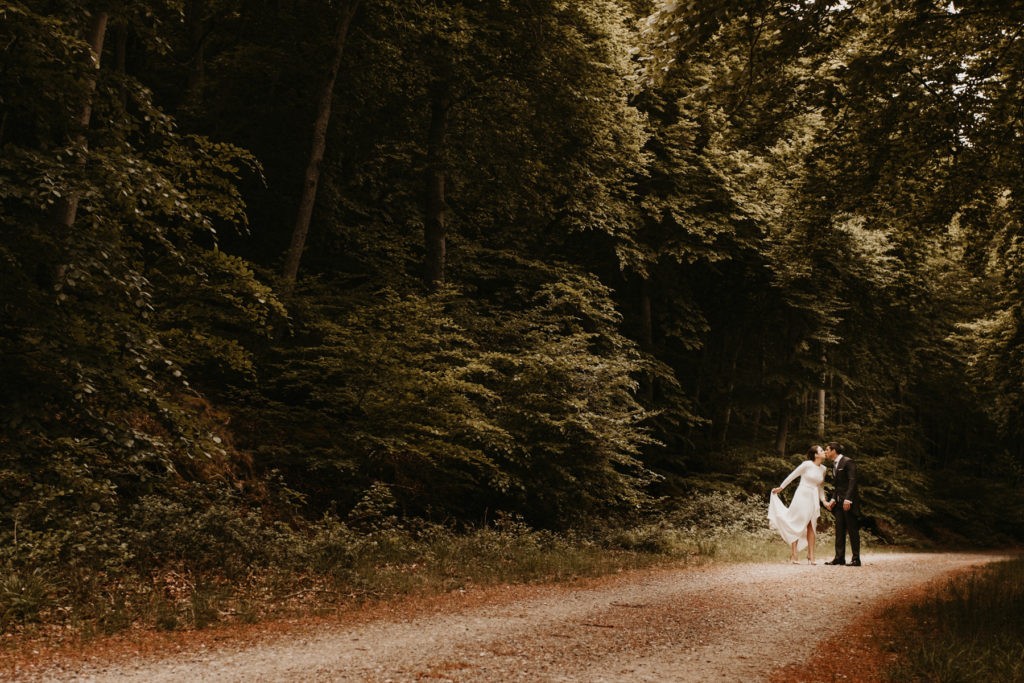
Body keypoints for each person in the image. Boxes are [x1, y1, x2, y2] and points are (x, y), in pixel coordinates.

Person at [768, 445, 829, 564]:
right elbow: (792, 475)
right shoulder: (807, 464)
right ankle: (794, 555)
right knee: (796, 523)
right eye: (821, 450)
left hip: (813, 498)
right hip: (801, 496)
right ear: (816, 455)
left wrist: (823, 500)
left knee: (812, 525)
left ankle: (811, 555)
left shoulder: (824, 469)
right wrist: (781, 487)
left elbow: (820, 487)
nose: (824, 452)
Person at [823, 442, 861, 566]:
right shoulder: (834, 464)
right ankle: (839, 558)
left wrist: (848, 499)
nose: (825, 452)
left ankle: (856, 559)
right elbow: (838, 486)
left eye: (827, 450)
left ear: (834, 450)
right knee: (839, 530)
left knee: (852, 530)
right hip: (838, 503)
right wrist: (833, 499)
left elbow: (852, 481)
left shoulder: (848, 461)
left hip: (848, 502)